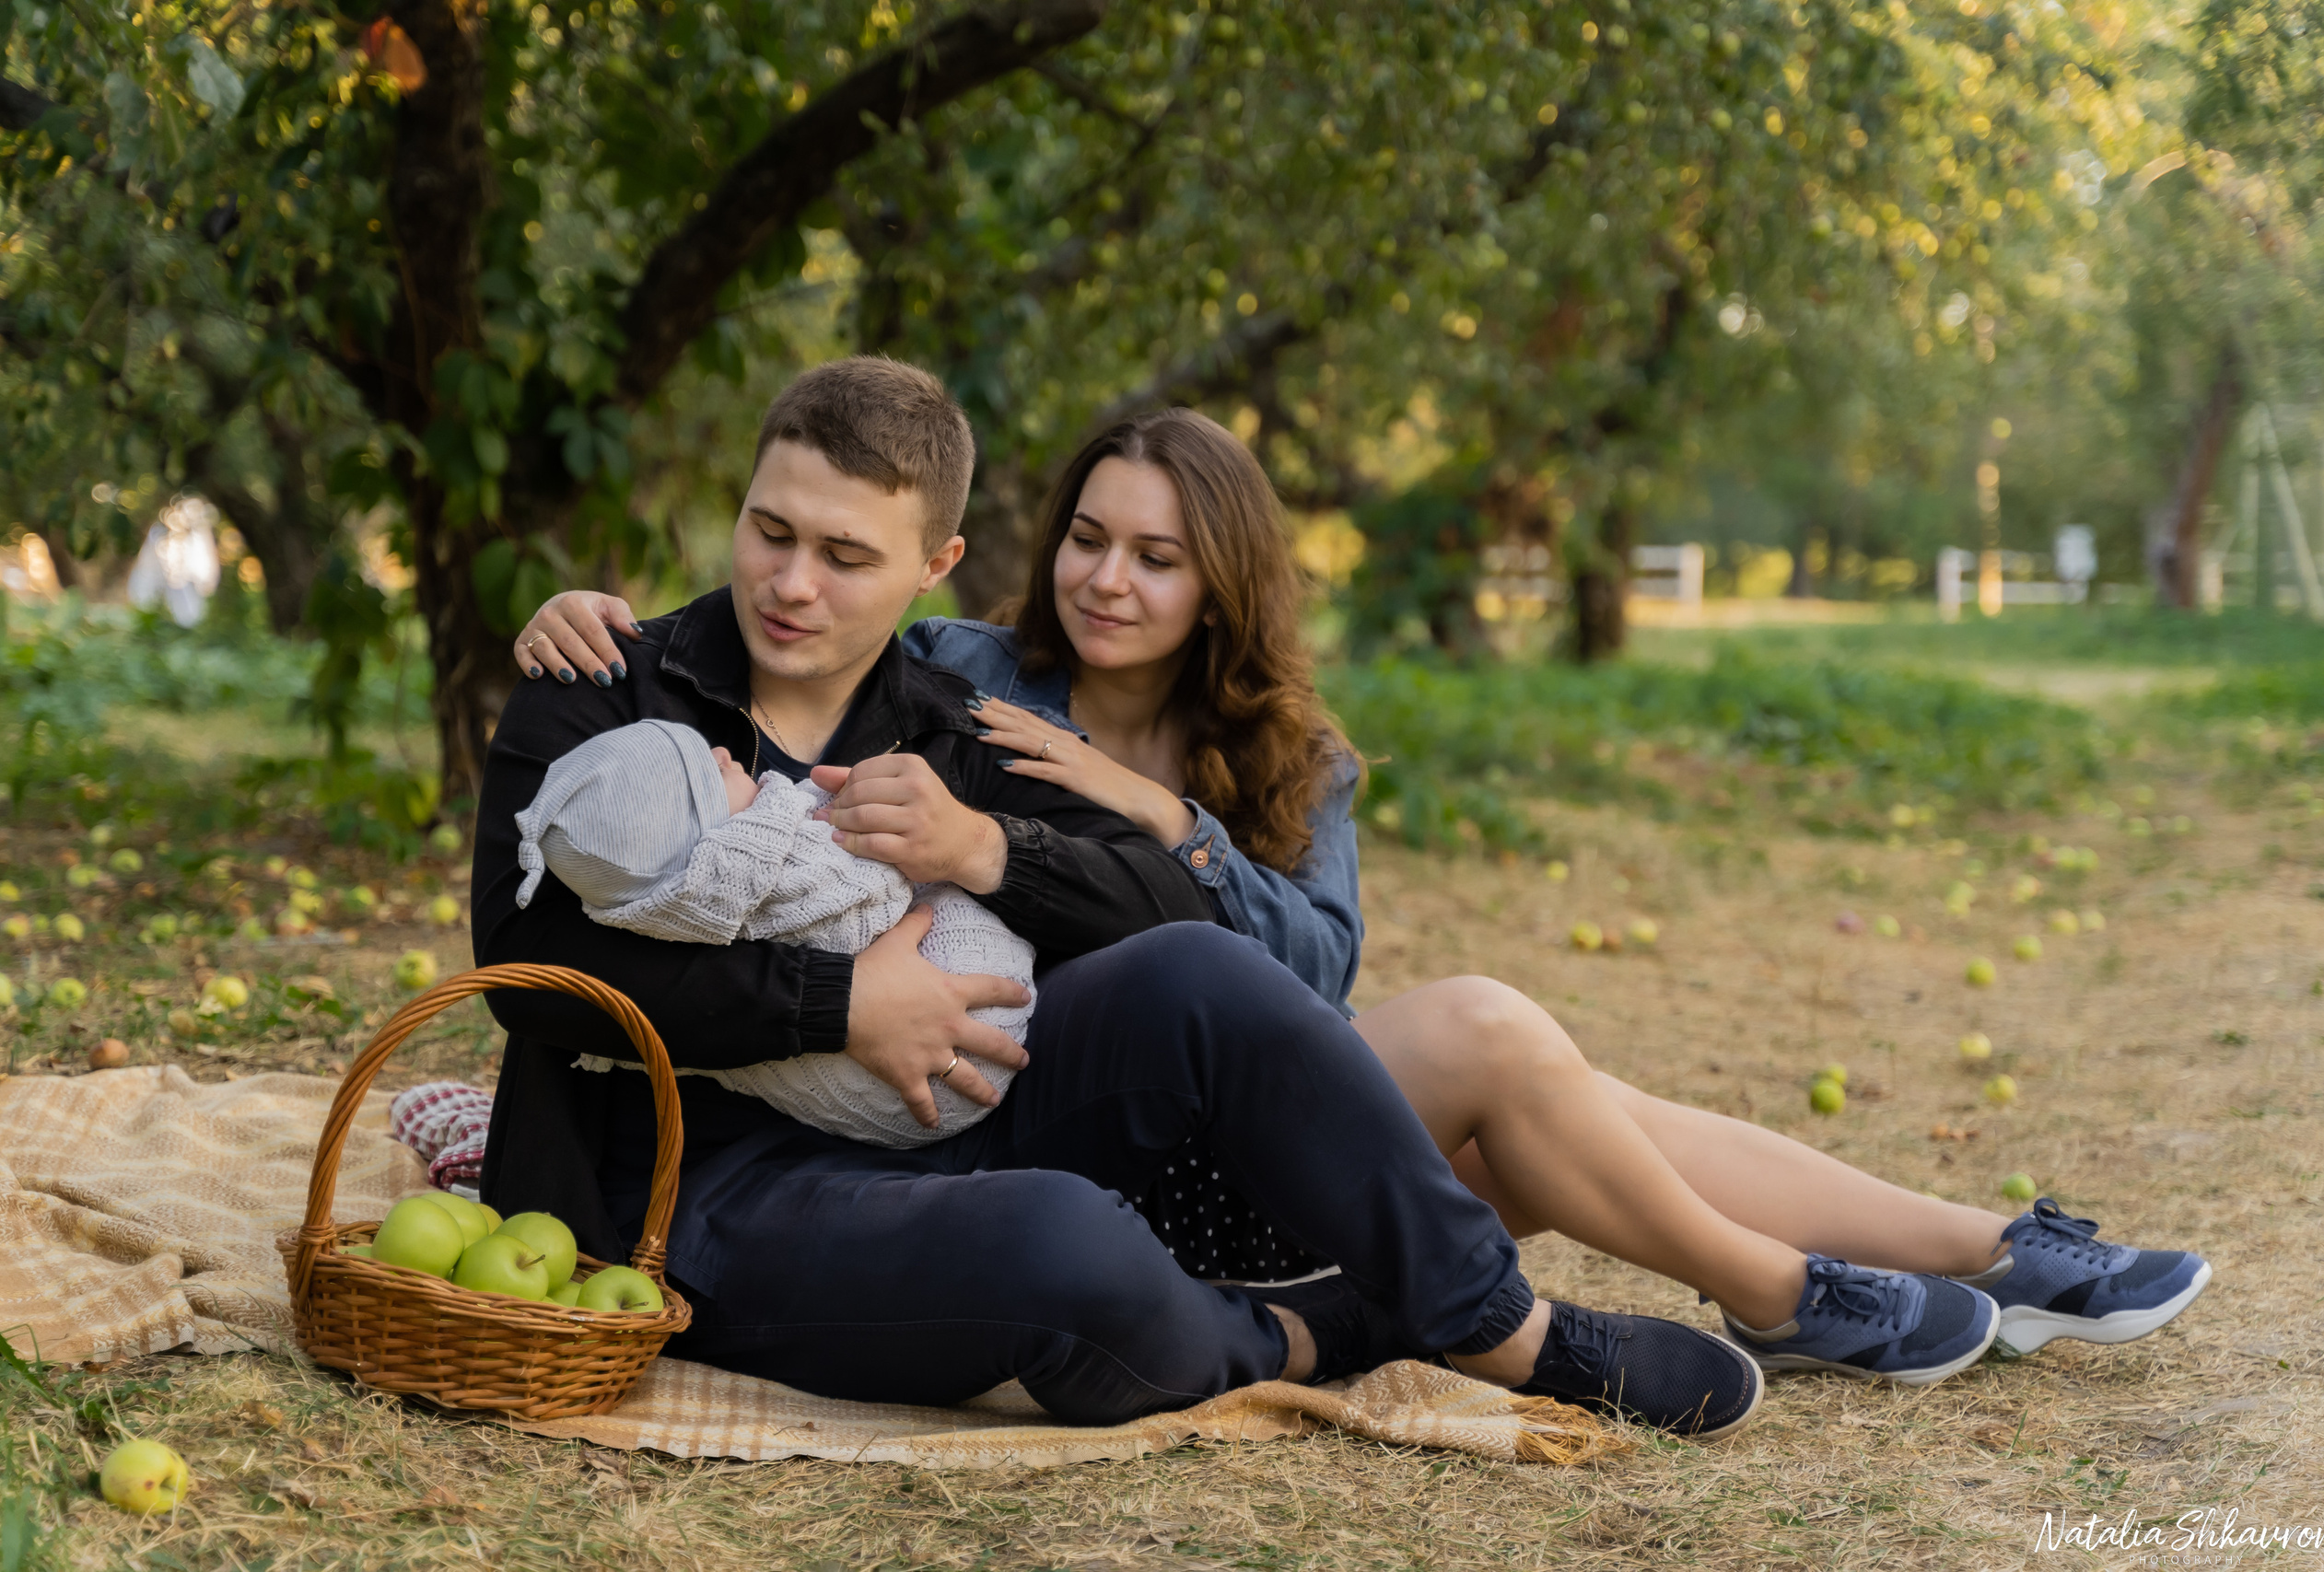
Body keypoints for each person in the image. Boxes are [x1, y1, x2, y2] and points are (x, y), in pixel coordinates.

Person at [518, 406, 2212, 1379]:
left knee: (1527, 1085)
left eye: (1160, 555)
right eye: (1094, 537)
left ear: (1221, 582)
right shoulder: (972, 672)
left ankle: (1963, 1254)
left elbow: (1301, 984)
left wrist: (1162, 822)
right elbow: (799, 604)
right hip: (1112, 1110)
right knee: (1510, 1059)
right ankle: (1838, 1277)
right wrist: (598, 623)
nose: (1111, 576)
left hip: (1249, 1090)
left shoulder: (1288, 758)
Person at [473, 355, 1773, 1442]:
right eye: (770, 530)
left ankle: (1505, 1327)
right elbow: (525, 959)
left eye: (844, 553)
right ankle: (1316, 1327)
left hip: (950, 1114)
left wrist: (988, 845)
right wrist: (836, 1003)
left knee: (1205, 977)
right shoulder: (602, 680)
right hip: (694, 1190)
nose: (792, 583)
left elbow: (1184, 913)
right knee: (1068, 1246)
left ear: (936, 562)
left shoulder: (954, 718)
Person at [511, 717, 1033, 1148]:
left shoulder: (649, 921)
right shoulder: (769, 873)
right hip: (948, 1054)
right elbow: (877, 892)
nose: (721, 751)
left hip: (922, 1081)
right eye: (707, 771)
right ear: (714, 842)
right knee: (935, 895)